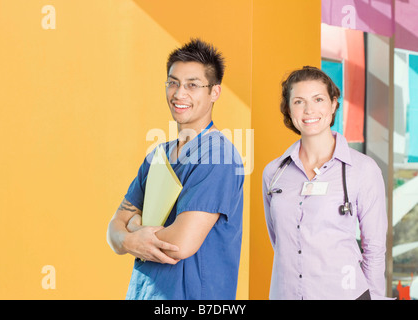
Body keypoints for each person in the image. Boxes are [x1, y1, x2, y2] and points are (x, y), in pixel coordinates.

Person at [107, 39, 244, 300]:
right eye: (173, 82)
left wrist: (132, 231)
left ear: (214, 92)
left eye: (192, 85)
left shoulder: (219, 157)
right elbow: (113, 229)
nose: (179, 94)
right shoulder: (157, 157)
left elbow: (179, 244)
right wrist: (125, 238)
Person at [262, 66, 388, 300]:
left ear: (333, 104)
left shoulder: (362, 170)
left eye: (318, 99)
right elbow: (280, 242)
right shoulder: (274, 173)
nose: (309, 110)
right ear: (289, 110)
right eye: (299, 101)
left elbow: (374, 249)